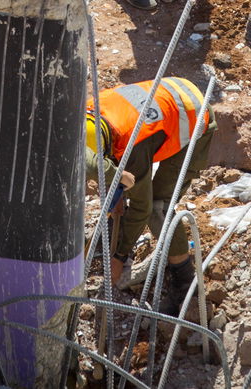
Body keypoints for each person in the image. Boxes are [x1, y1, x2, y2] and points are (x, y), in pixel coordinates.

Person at [86, 76, 214, 312]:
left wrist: (119, 258)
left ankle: (185, 283)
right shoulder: (89, 116)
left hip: (194, 118)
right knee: (131, 192)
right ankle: (118, 240)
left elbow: (141, 208)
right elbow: (100, 165)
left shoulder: (130, 144)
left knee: (157, 207)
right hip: (173, 93)